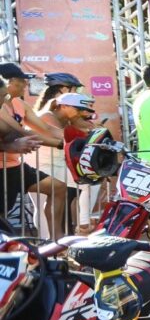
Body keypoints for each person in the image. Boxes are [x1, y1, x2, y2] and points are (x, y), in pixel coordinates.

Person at [0, 63, 69, 235]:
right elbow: (20, 133)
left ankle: (56, 244)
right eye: (21, 81)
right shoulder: (3, 106)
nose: (25, 85)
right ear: (9, 81)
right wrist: (62, 144)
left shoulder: (17, 103)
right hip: (2, 170)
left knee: (58, 188)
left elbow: (41, 129)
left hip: (15, 166)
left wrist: (75, 139)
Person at [35, 93, 98, 235]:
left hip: (56, 165)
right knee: (44, 208)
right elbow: (66, 137)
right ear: (64, 106)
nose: (82, 112)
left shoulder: (68, 119)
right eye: (79, 109)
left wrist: (87, 126)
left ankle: (76, 231)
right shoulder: (47, 116)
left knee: (85, 185)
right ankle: (47, 245)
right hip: (39, 165)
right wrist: (83, 128)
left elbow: (86, 131)